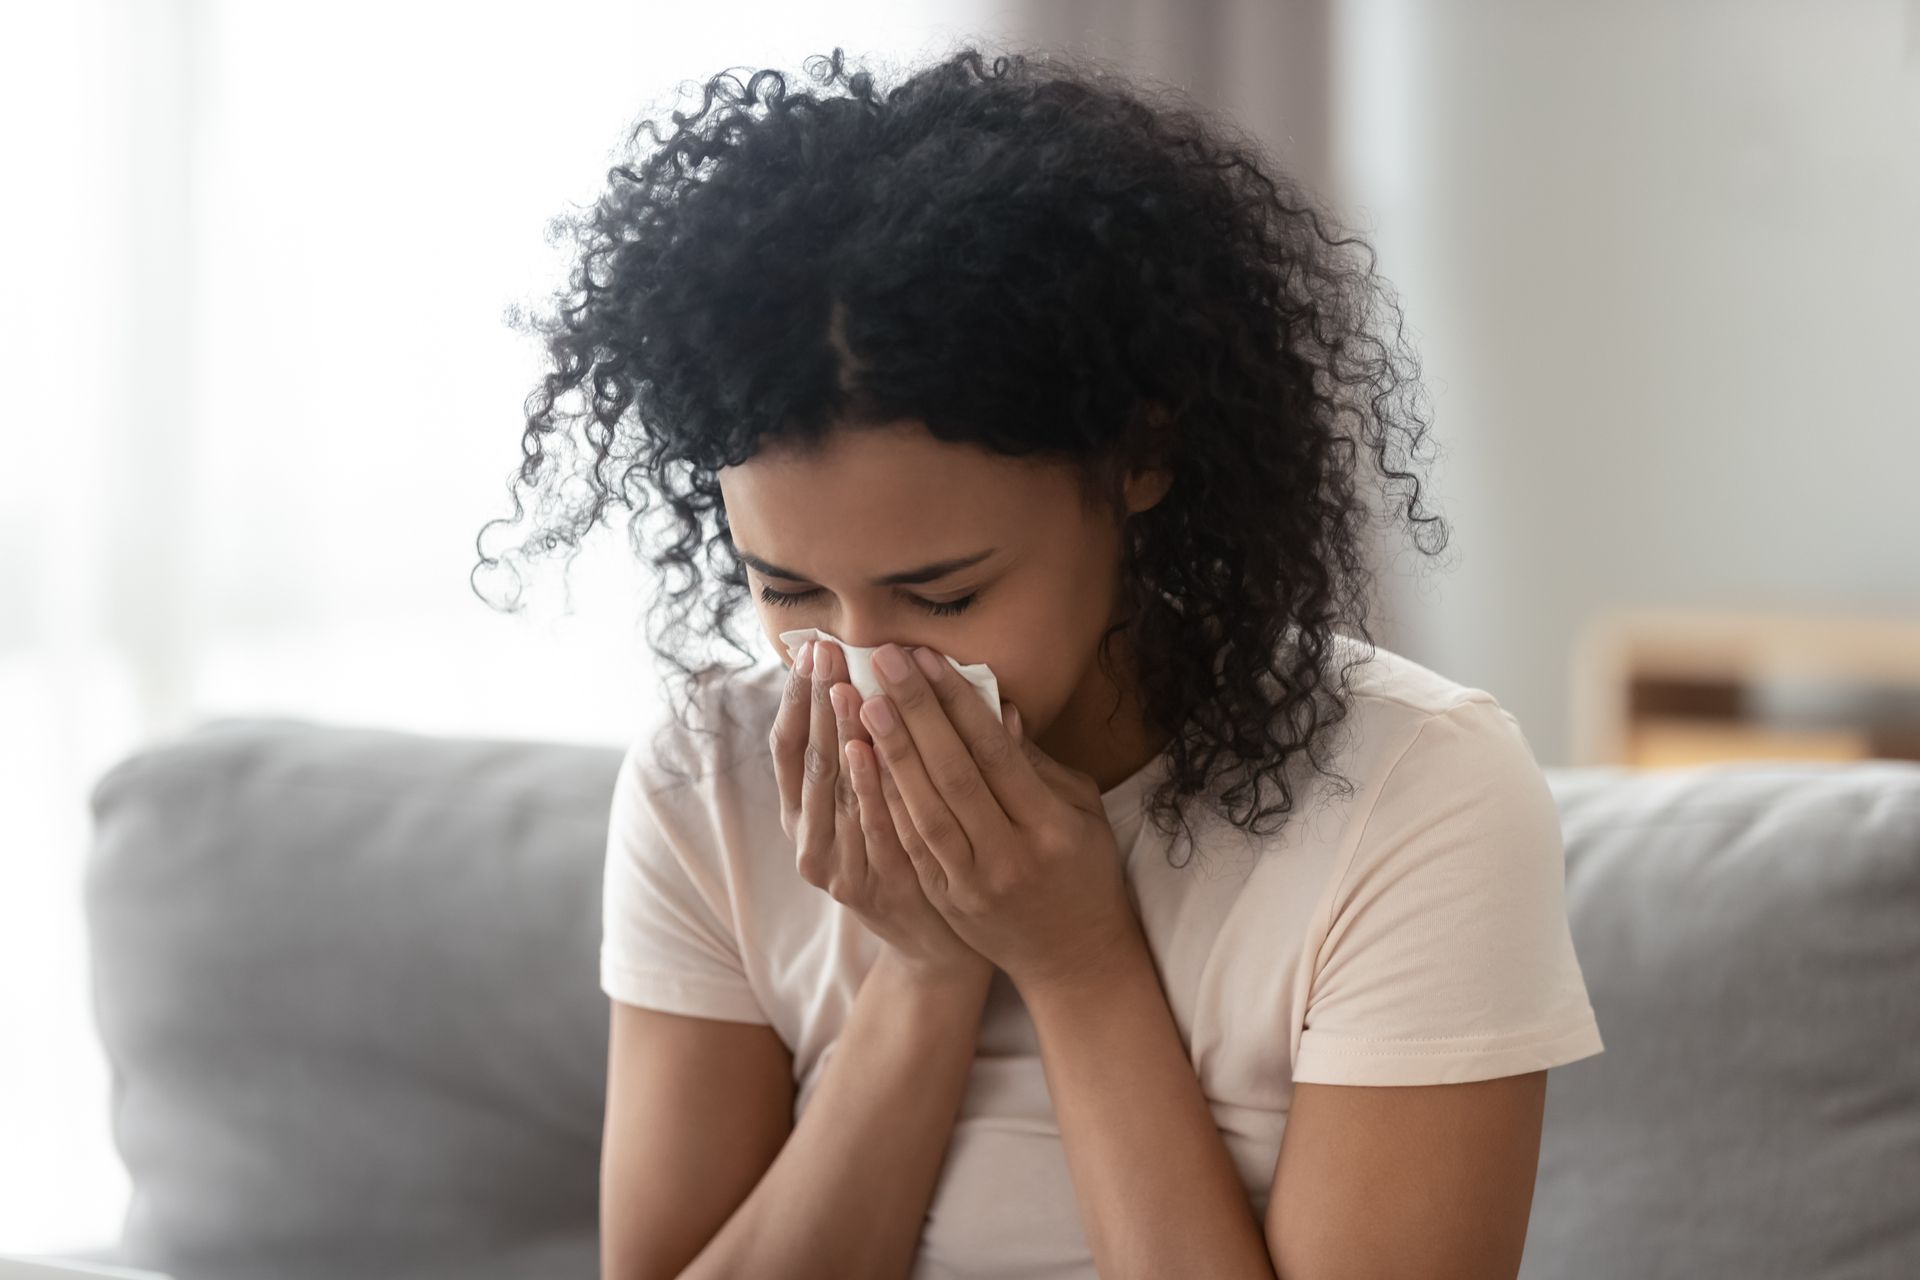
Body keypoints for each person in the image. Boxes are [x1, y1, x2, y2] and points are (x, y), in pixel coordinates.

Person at [471, 42, 1604, 1280]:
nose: (857, 666)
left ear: (1141, 459)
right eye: (787, 588)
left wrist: (1080, 963)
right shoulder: (712, 783)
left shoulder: (1413, 792)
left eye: (943, 593)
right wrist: (921, 976)